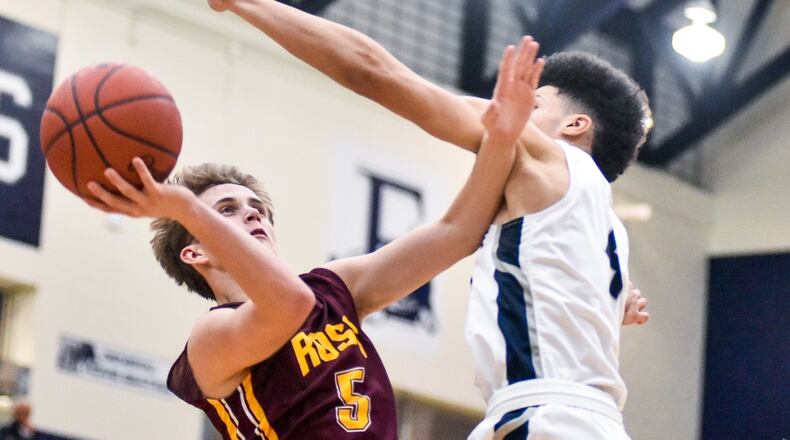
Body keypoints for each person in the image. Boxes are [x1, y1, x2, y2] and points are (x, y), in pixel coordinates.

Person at [203, 1, 650, 438]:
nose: (512, 110)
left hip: (544, 418)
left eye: (532, 104)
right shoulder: (607, 227)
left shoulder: (540, 154)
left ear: (574, 125)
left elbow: (372, 70)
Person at [83, 39, 545, 439]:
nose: (250, 213)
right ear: (195, 250)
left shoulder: (331, 291)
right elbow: (288, 307)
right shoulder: (211, 337)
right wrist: (183, 206)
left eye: (256, 208)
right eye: (225, 211)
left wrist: (501, 138)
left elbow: (455, 233)